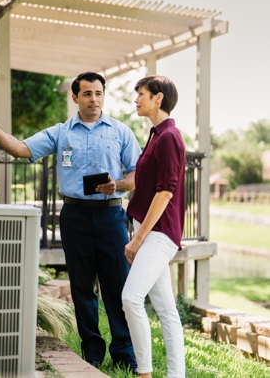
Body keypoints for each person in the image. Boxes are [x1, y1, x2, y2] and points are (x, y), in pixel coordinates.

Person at [0, 72, 140, 372]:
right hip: (74, 217)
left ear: (103, 96)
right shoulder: (61, 133)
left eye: (98, 93)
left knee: (118, 287)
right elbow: (21, 149)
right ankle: (93, 354)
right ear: (75, 98)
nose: (93, 99)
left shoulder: (120, 132)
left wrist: (119, 185)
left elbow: (138, 174)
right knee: (82, 287)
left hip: (112, 216)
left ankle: (124, 353)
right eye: (87, 94)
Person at [122, 75, 186, 378]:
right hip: (151, 231)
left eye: (141, 94)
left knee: (131, 298)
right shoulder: (155, 135)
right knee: (166, 310)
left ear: (158, 98)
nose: (136, 99)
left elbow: (165, 193)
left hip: (159, 234)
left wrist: (138, 239)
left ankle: (144, 373)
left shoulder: (170, 137)